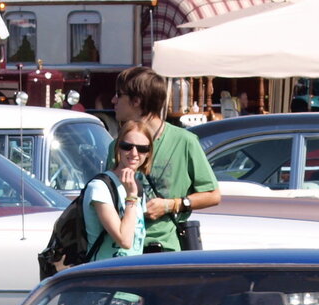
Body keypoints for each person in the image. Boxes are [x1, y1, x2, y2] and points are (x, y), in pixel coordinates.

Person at [112, 66, 220, 253]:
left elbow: (213, 195)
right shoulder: (117, 145)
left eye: (118, 95)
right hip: (123, 251)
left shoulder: (184, 141)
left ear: (136, 101)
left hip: (166, 251)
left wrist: (171, 205)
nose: (113, 100)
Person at [84, 118, 154, 261]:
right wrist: (131, 197)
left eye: (142, 149)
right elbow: (125, 240)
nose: (134, 153)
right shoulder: (100, 187)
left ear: (148, 154)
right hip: (103, 274)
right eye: (127, 146)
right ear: (118, 148)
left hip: (129, 274)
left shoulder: (136, 186)